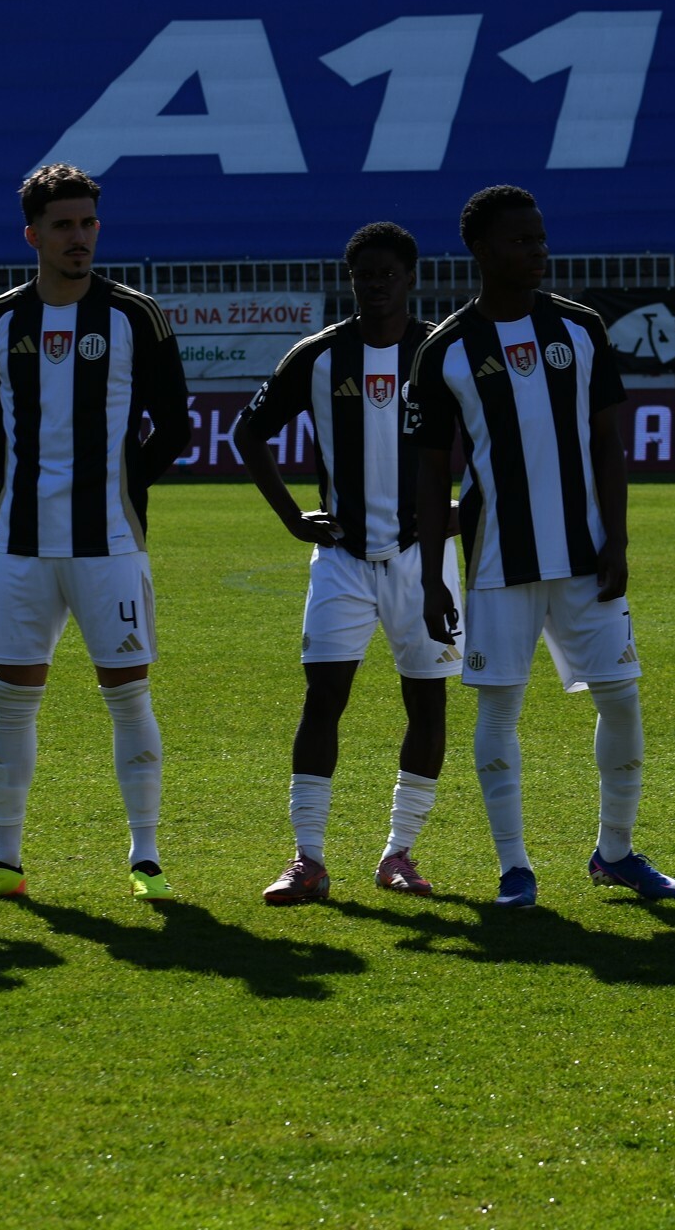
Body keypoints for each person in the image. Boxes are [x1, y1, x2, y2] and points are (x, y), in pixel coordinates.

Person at [404, 185, 675, 909]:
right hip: (499, 562)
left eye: (540, 237)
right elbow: (431, 475)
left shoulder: (580, 328)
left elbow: (607, 442)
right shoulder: (445, 350)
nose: (538, 250)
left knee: (621, 700)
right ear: (481, 249)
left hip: (586, 557)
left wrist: (618, 539)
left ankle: (615, 851)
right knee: (498, 712)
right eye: (521, 240)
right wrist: (434, 578)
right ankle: (514, 868)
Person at [0, 164, 190, 904]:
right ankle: (5, 861)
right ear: (33, 235)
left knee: (128, 696)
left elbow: (173, 423)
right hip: (21, 545)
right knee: (11, 701)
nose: (79, 237)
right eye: (63, 225)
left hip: (109, 544)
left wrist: (119, 487)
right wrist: (35, 487)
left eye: (87, 223)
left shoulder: (135, 316)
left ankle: (146, 859)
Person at [232, 222, 461, 904]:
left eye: (387, 273)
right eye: (364, 274)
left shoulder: (440, 351)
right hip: (342, 558)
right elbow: (249, 432)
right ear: (351, 280)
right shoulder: (318, 356)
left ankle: (399, 854)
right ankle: (307, 859)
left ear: (411, 277)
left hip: (423, 560)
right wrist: (289, 515)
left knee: (427, 701)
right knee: (323, 698)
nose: (375, 284)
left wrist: (468, 507)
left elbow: (497, 433)